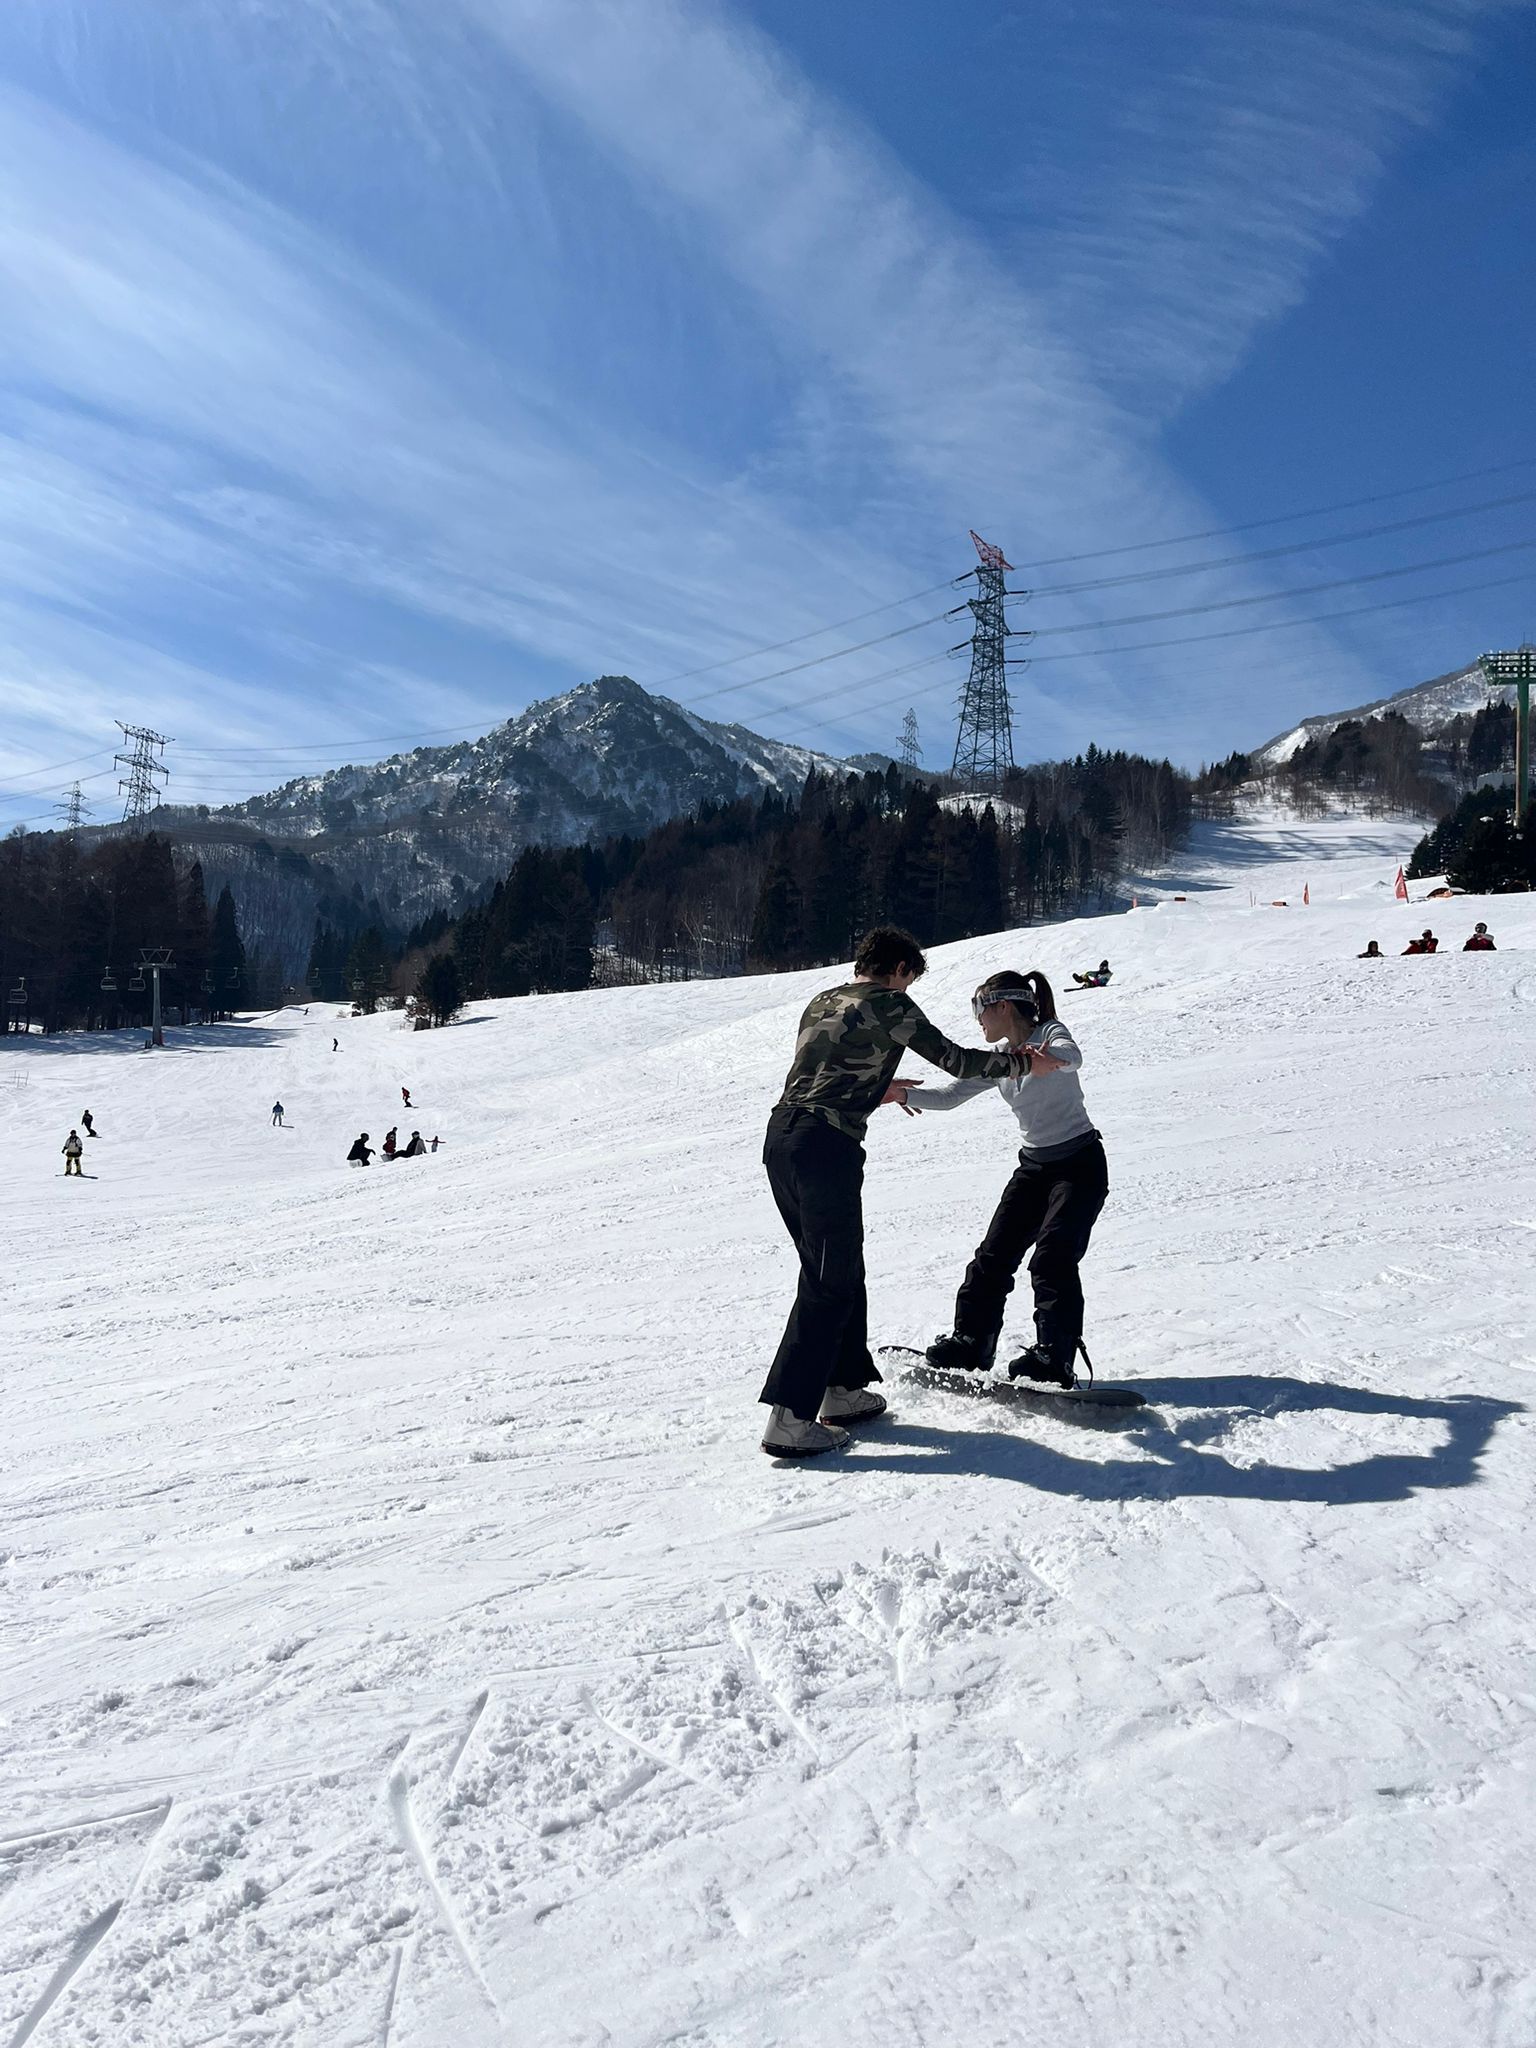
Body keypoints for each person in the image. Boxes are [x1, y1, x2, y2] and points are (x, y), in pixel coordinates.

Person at [758, 925, 1029, 1460]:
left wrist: (877, 1088)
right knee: (827, 1281)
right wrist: (1021, 1062)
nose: (907, 989)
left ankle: (844, 1389)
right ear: (900, 969)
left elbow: (824, 1069)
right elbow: (957, 1061)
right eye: (909, 980)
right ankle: (789, 1418)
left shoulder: (824, 1000)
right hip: (826, 1147)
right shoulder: (890, 1004)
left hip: (784, 1138)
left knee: (839, 1268)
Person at [902, 973, 1106, 1390]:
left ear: (1003, 1006)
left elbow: (1073, 1056)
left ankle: (1055, 1358)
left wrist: (1045, 1056)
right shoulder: (1000, 1060)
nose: (977, 1019)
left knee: (1052, 1258)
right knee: (992, 1257)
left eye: (979, 1008)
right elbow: (949, 1097)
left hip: (1079, 1165)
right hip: (1034, 1169)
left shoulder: (1049, 1033)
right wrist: (899, 1095)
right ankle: (972, 1343)